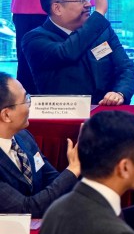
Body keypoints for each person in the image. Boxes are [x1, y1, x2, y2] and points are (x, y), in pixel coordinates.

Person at [22, 0, 134, 105]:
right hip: (65, 119)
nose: (88, 4)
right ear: (57, 8)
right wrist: (98, 13)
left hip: (107, 116)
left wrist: (119, 93)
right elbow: (66, 53)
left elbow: (126, 69)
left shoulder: (102, 31)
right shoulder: (34, 39)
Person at [0, 72, 79, 216]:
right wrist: (72, 169)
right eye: (26, 100)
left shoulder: (23, 136)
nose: (30, 106)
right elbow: (26, 209)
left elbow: (51, 179)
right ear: (6, 115)